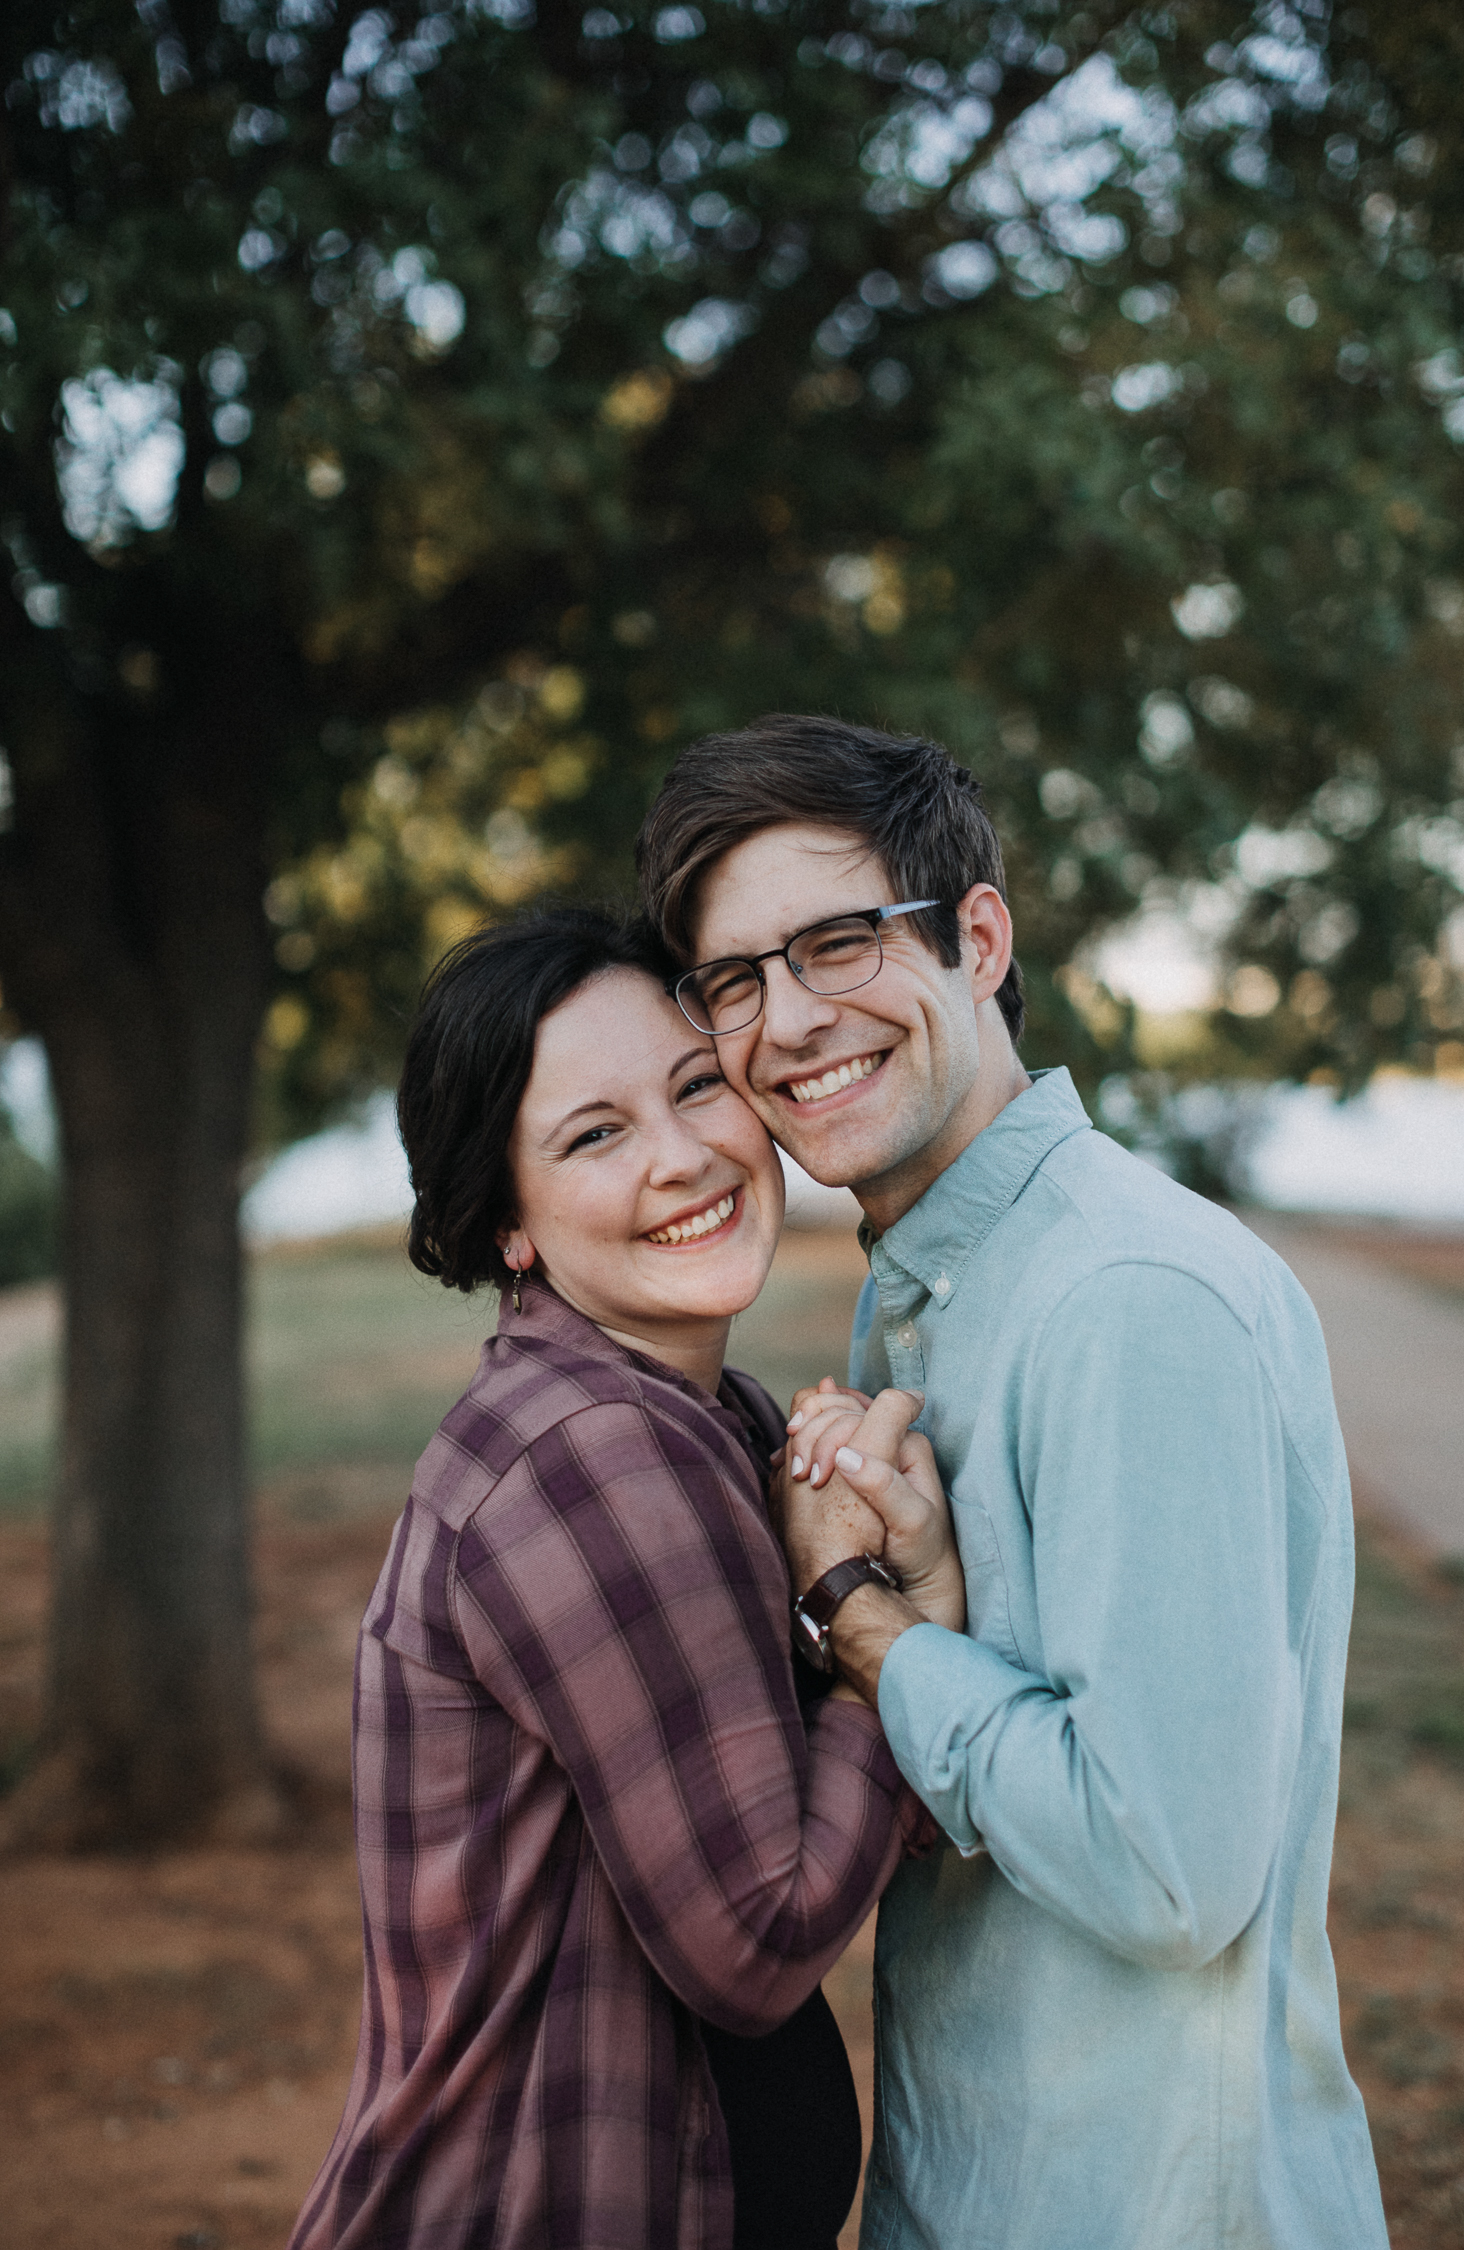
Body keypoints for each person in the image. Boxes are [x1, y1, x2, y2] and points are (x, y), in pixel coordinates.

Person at [636, 715, 1390, 2250]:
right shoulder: (932, 1290)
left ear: (978, 937)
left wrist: (870, 1625)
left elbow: (1165, 1868)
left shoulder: (1128, 1298)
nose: (785, 1022)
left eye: (839, 943)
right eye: (735, 979)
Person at [286, 906, 957, 2250]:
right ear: (508, 1223)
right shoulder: (593, 1457)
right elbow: (760, 1934)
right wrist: (894, 1625)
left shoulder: (701, 1415)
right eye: (596, 1134)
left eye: (697, 1085)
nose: (684, 1153)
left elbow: (857, 1803)